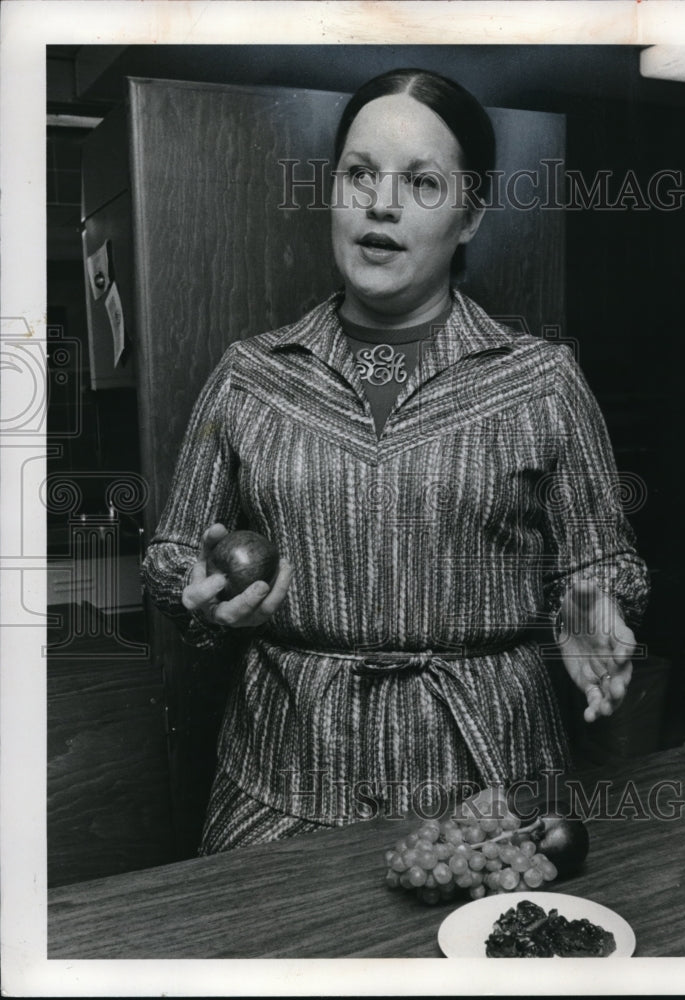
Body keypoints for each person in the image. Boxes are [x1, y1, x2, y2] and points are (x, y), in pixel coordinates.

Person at [143, 67, 650, 854]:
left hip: (491, 793)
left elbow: (594, 566)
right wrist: (197, 594)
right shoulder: (252, 374)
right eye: (360, 175)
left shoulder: (540, 380)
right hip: (284, 789)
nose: (382, 203)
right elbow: (174, 552)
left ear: (471, 212)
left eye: (421, 182)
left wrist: (590, 616)